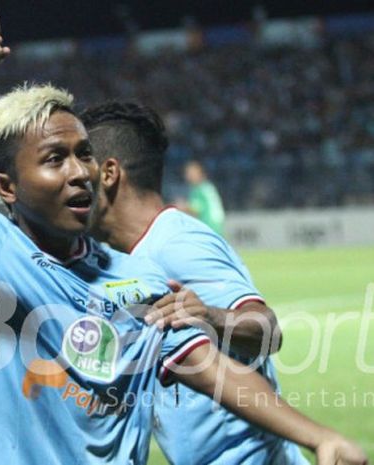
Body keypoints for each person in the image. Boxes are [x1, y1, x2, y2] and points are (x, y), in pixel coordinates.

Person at [0, 2, 367, 464]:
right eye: (54, 159)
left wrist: (318, 436)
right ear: (7, 187)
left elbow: (216, 372)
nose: (79, 172)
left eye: (84, 153)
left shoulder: (137, 277)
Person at [80, 101, 303, 464]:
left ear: (108, 173)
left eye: (80, 160)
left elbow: (268, 330)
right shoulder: (121, 258)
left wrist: (211, 315)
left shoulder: (177, 243)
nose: (71, 177)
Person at [183, 159, 226, 235]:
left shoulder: (198, 190)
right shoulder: (208, 186)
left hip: (208, 224)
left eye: (190, 173)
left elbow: (195, 209)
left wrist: (180, 207)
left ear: (199, 173)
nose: (188, 176)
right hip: (218, 223)